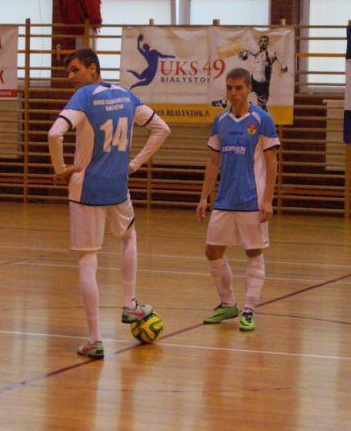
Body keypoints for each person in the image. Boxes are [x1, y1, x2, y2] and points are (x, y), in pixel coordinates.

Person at [48, 48, 170, 358]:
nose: (70, 78)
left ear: (92, 68)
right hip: (118, 185)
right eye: (68, 73)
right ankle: (130, 304)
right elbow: (162, 129)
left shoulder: (85, 97)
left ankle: (95, 339)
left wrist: (60, 169)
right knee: (129, 237)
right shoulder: (126, 95)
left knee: (88, 261)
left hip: (86, 189)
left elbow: (55, 133)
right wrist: (135, 164)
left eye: (75, 70)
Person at [196, 67, 279, 331]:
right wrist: (203, 198)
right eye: (230, 88)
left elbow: (271, 161)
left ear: (249, 89)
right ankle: (227, 303)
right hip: (223, 200)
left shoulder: (262, 119)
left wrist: (268, 200)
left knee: (253, 252)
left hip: (251, 201)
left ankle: (249, 309)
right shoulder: (220, 121)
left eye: (239, 88)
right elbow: (212, 161)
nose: (234, 93)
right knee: (212, 250)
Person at [238, 35, 288, 111]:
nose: (263, 43)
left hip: (262, 84)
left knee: (261, 108)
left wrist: (283, 66)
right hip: (253, 80)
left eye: (265, 41)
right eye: (261, 41)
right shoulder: (257, 53)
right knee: (240, 91)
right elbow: (250, 52)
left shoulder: (270, 53)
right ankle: (224, 102)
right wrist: (245, 53)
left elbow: (278, 56)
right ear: (259, 43)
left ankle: (265, 119)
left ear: (267, 43)